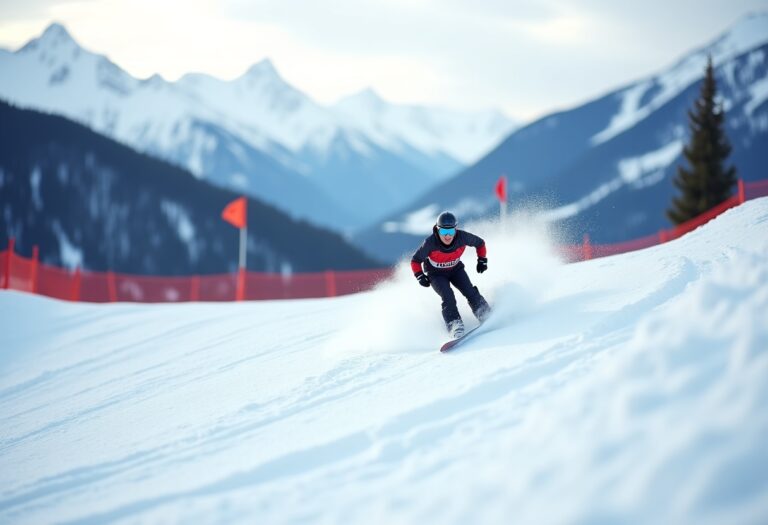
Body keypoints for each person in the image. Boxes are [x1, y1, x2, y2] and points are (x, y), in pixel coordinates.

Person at [411, 211, 491, 339]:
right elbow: (415, 261)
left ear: (456, 230)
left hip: (456, 270)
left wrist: (482, 260)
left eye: (451, 231)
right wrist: (419, 275)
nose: (447, 236)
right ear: (437, 230)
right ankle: (454, 324)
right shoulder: (430, 243)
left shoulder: (462, 237)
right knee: (448, 297)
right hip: (436, 274)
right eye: (443, 232)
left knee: (469, 291)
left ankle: (484, 312)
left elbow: (480, 243)